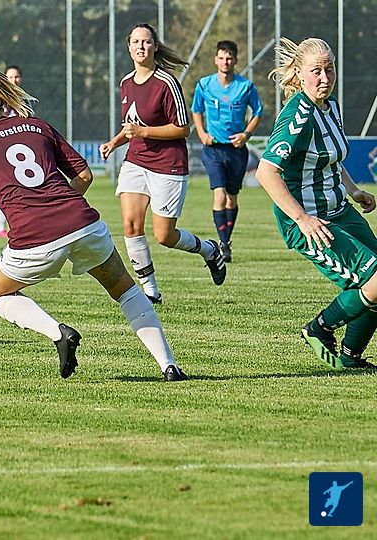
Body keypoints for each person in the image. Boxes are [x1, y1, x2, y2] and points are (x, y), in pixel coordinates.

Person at [0, 69, 189, 382]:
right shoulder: (37, 125)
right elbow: (84, 176)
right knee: (125, 290)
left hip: (33, 241)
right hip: (84, 224)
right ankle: (169, 366)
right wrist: (62, 210)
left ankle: (58, 333)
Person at [256, 37, 377, 370]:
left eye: (330, 69)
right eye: (316, 71)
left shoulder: (330, 106)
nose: (325, 78)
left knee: (374, 283)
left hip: (341, 210)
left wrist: (353, 190)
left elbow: (329, 159)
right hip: (312, 222)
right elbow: (266, 172)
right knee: (374, 282)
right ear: (299, 73)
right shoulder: (297, 115)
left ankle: (350, 357)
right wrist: (302, 219)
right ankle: (319, 328)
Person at [100, 24, 226, 304]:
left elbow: (183, 129)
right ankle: (151, 292)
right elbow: (131, 125)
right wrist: (114, 142)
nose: (140, 46)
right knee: (130, 226)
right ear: (128, 47)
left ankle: (209, 250)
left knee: (164, 236)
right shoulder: (126, 83)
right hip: (135, 161)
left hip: (168, 164)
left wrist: (143, 132)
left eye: (146, 42)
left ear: (155, 46)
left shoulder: (166, 83)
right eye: (135, 42)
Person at [192, 40, 263, 262]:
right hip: (213, 149)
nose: (225, 62)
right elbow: (196, 110)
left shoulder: (245, 86)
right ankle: (223, 245)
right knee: (220, 194)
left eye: (229, 58)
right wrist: (201, 133)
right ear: (216, 59)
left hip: (236, 151)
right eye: (221, 58)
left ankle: (226, 240)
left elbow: (258, 112)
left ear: (235, 60)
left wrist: (246, 134)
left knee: (232, 198)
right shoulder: (204, 84)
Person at [0, 64, 24, 239]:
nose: (14, 80)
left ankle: (18, 225)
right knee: (4, 187)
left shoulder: (24, 100)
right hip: (2, 149)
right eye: (10, 77)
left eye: (16, 77)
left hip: (20, 149)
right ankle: (0, 227)